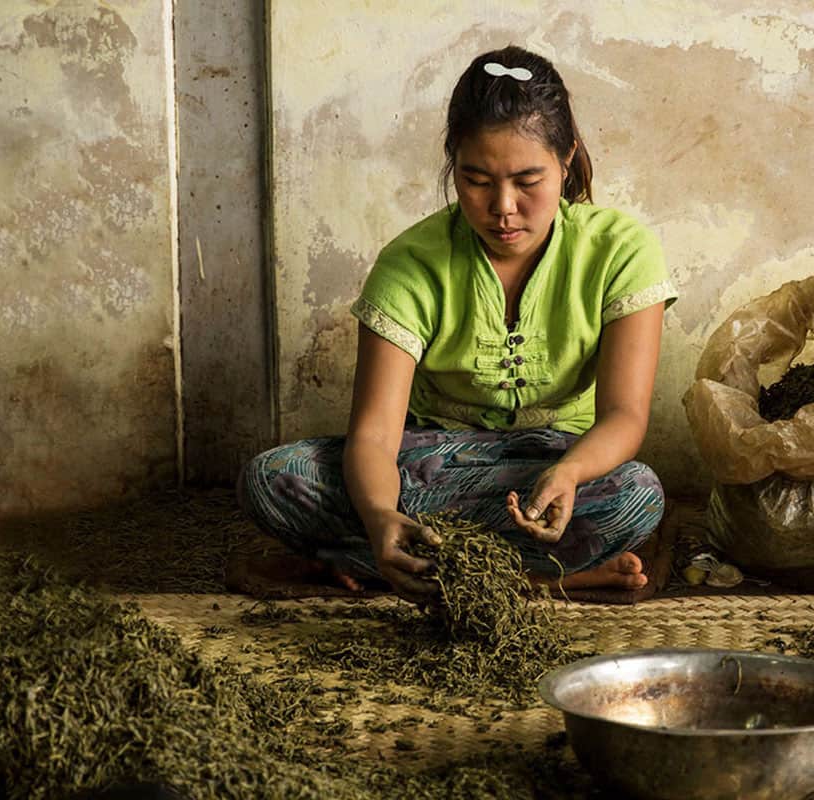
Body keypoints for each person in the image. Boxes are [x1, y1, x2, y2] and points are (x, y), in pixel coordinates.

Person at [239, 45, 678, 602]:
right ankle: (539, 577)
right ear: (452, 163)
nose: (503, 207)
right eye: (476, 180)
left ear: (566, 158)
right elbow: (375, 435)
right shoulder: (411, 262)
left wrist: (567, 474)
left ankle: (387, 569)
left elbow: (624, 416)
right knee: (271, 479)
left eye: (527, 180)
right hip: (427, 460)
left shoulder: (621, 250)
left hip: (553, 464)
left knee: (636, 494)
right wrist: (378, 516)